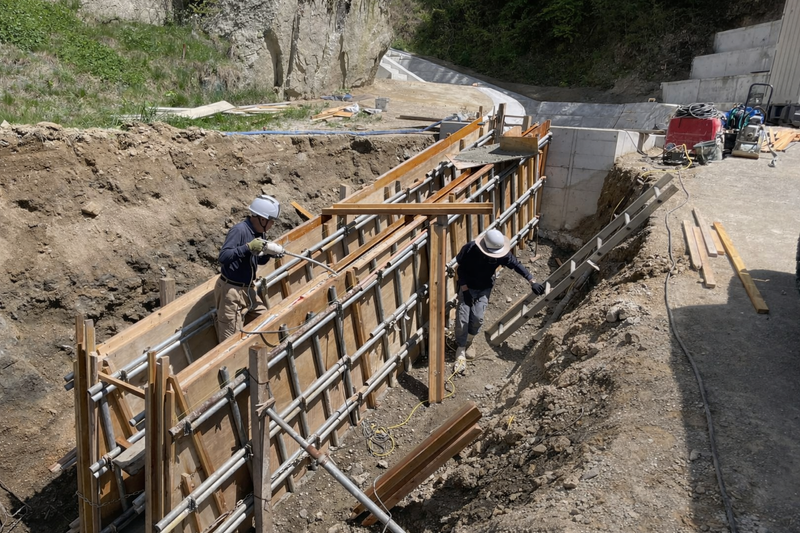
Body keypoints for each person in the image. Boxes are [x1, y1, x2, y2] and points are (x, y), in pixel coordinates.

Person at [454, 229, 545, 362]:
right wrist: (465, 290)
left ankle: (469, 341)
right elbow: (460, 269)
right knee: (463, 319)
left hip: (484, 287)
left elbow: (516, 265)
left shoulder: (501, 253)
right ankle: (461, 347)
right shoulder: (470, 249)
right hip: (467, 286)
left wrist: (532, 281)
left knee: (478, 318)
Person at [214, 194, 285, 342]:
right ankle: (233, 364)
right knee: (230, 341)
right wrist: (247, 247)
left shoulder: (260, 233)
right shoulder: (239, 231)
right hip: (231, 292)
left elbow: (258, 260)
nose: (272, 225)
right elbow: (223, 257)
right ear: (262, 219)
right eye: (271, 221)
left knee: (265, 321)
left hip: (248, 290)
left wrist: (268, 253)